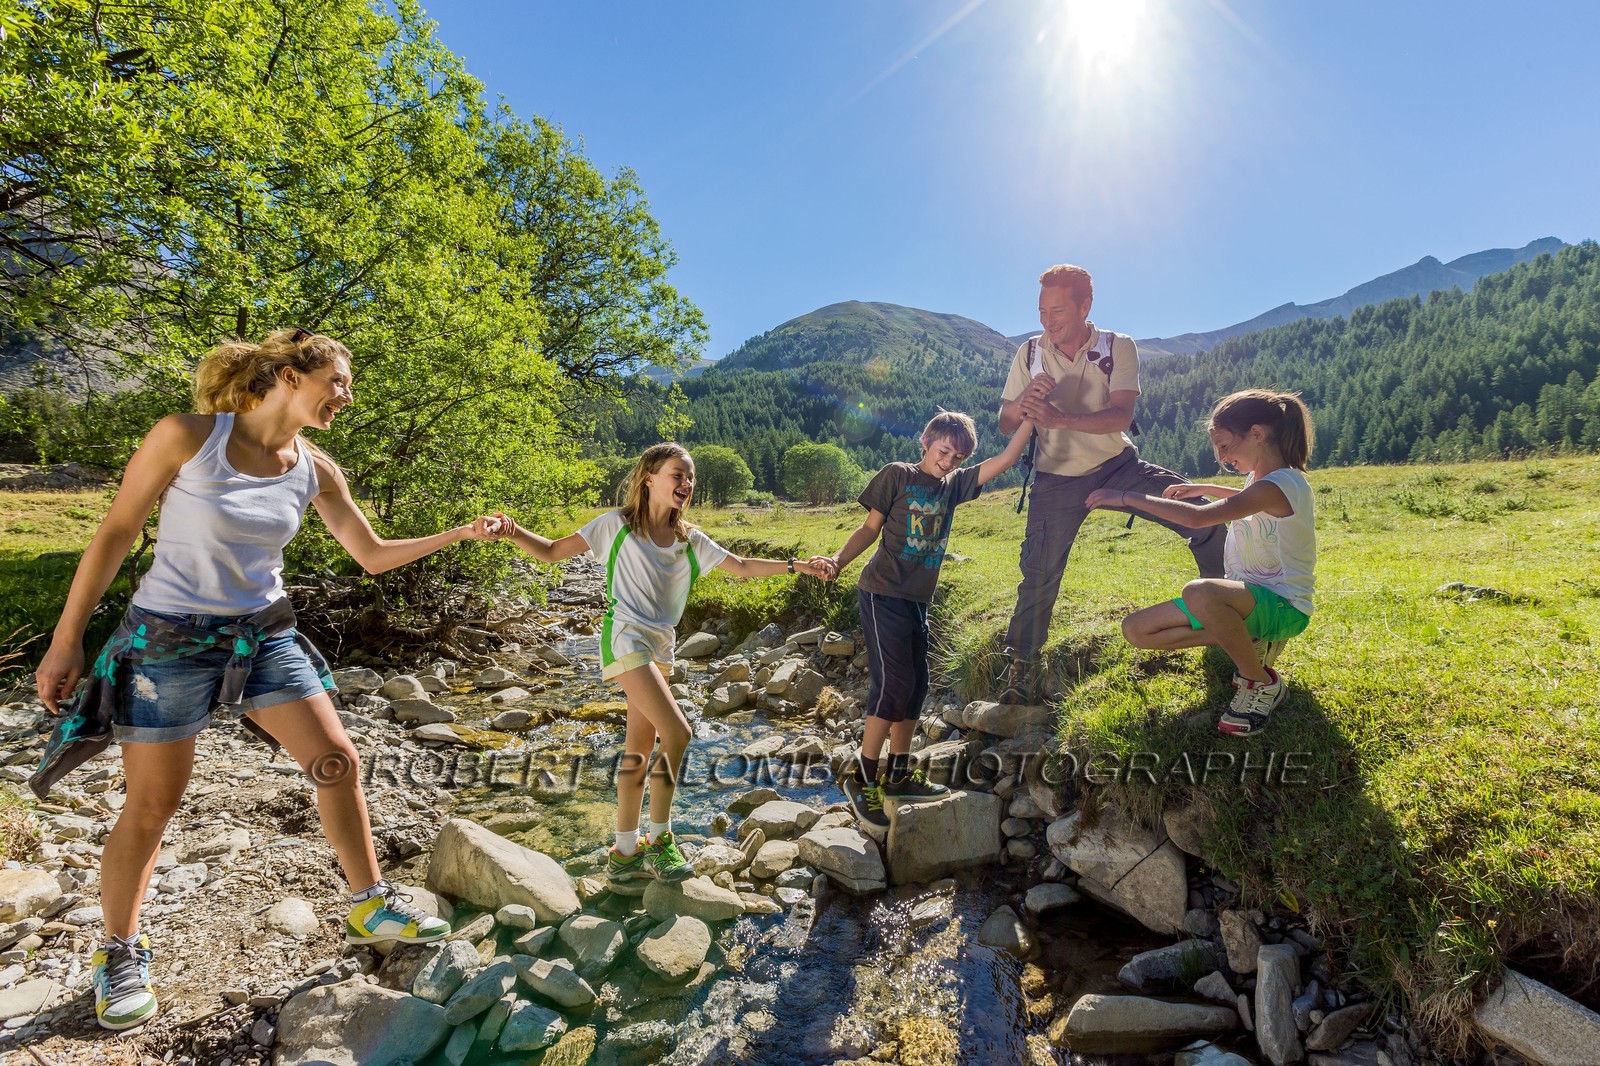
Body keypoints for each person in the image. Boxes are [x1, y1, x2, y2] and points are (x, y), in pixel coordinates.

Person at [30, 328, 508, 1030]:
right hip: (168, 639)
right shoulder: (188, 436)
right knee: (154, 805)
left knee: (336, 760)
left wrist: (461, 535)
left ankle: (370, 899)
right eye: (338, 382)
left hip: (263, 635)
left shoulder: (315, 467)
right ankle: (120, 951)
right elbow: (115, 533)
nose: (346, 395)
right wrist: (66, 638)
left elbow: (370, 555)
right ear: (289, 375)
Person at [494, 443, 833, 888]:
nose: (686, 484)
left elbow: (743, 566)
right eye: (678, 474)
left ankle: (624, 852)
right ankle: (660, 840)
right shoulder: (614, 525)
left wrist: (797, 566)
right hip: (624, 639)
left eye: (690, 477)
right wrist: (512, 531)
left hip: (661, 647)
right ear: (649, 477)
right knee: (679, 732)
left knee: (638, 750)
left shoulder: (689, 540)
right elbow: (553, 551)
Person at [998, 263, 1226, 703]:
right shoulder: (1029, 353)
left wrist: (1060, 417)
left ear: (1085, 306)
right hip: (1055, 479)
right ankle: (1020, 669)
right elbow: (1006, 421)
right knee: (1039, 574)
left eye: (1058, 309)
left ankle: (1227, 619)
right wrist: (1024, 404)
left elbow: (1122, 415)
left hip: (1118, 467)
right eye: (1042, 310)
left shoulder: (1117, 346)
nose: (1048, 320)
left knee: (1204, 517)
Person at [825, 412, 1032, 830]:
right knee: (893, 684)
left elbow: (1008, 458)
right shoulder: (898, 475)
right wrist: (838, 560)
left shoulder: (954, 486)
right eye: (943, 451)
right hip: (882, 593)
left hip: (917, 600)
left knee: (917, 685)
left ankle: (898, 776)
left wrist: (1030, 418)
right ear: (925, 441)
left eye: (958, 456)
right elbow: (869, 529)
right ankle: (861, 778)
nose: (949, 461)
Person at [1084, 389, 1317, 735]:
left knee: (1201, 592)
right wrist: (1204, 486)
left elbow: (1198, 519)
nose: (1221, 457)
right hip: (1250, 600)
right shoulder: (1262, 482)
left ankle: (1260, 682)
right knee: (1136, 629)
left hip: (1285, 606)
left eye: (1224, 445)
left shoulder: (1283, 484)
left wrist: (1126, 496)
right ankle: (1249, 639)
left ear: (1257, 433)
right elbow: (1248, 498)